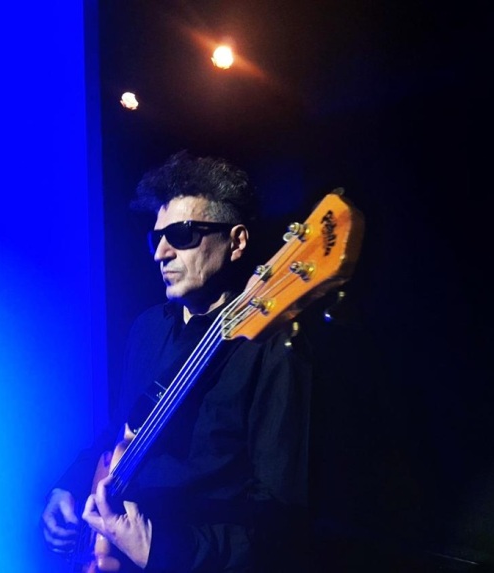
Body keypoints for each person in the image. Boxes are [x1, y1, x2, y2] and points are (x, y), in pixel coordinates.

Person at [41, 150, 314, 572]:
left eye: (182, 235)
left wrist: (162, 550)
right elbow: (120, 433)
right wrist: (70, 486)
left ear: (237, 242)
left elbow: (279, 517)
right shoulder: (147, 328)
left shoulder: (272, 348)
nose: (161, 253)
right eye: (157, 238)